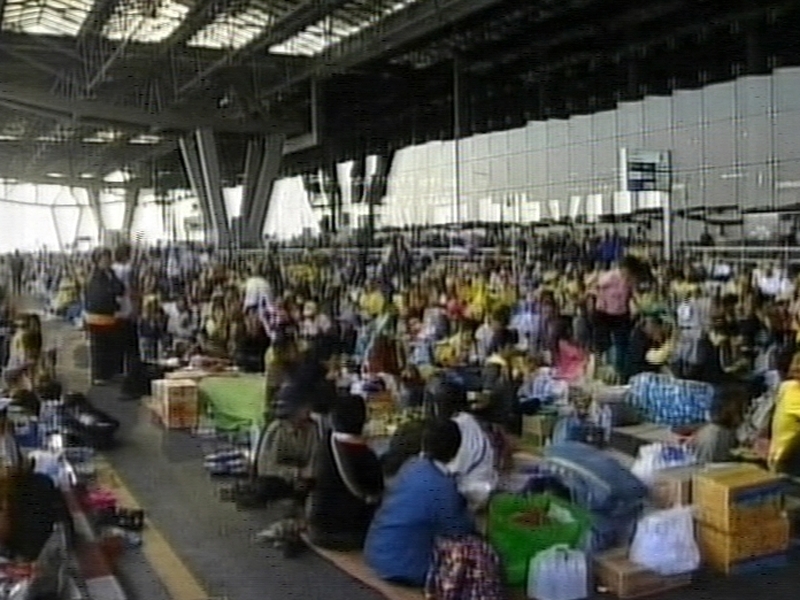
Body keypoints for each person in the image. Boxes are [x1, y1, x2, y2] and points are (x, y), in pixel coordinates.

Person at [364, 419, 475, 586]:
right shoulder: (443, 487)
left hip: (377, 552)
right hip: (408, 568)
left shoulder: (410, 466)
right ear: (457, 450)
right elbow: (458, 531)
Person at [306, 394, 384, 550]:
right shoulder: (366, 456)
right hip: (350, 533)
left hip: (317, 528)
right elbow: (375, 494)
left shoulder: (326, 443)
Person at [432, 381, 497, 510]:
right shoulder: (466, 419)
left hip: (474, 490)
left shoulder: (459, 426)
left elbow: (457, 467)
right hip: (480, 483)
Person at [84, 248, 125, 386]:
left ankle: (109, 373)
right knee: (99, 347)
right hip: (97, 316)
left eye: (108, 258)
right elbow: (100, 295)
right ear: (97, 261)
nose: (108, 261)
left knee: (110, 346)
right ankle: (98, 375)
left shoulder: (111, 273)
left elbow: (120, 288)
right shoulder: (95, 276)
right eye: (104, 258)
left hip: (110, 316)